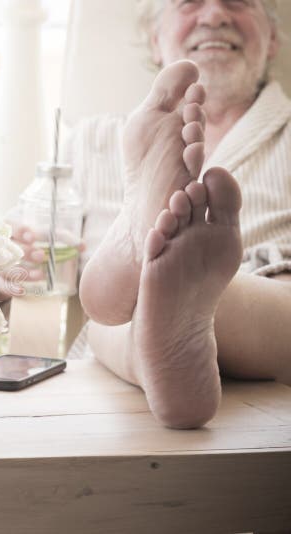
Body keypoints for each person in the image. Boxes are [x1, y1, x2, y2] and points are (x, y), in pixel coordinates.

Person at [49, 0, 290, 429]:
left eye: (239, 1)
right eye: (188, 3)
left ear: (272, 39)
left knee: (139, 299)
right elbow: (14, 263)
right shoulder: (93, 140)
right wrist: (20, 255)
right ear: (154, 39)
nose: (214, 15)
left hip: (271, 312)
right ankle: (152, 300)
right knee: (129, 308)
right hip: (112, 352)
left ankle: (151, 281)